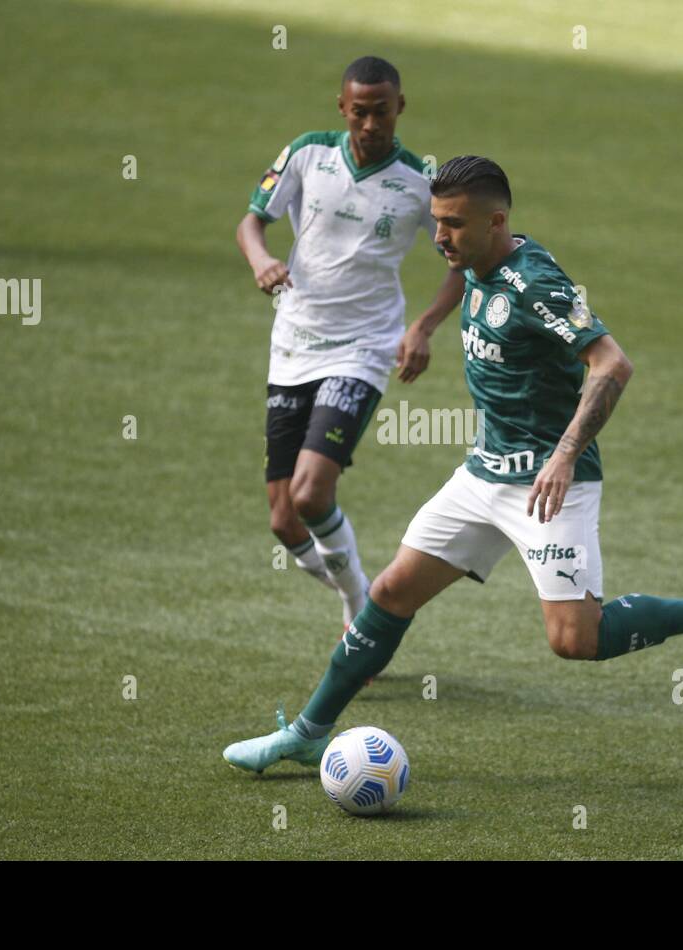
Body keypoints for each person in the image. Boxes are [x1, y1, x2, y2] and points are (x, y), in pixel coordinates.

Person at [224, 155, 683, 773]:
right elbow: (464, 276)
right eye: (435, 222)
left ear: (496, 221)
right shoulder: (476, 259)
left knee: (574, 640)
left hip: (548, 484)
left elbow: (612, 364)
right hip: (483, 474)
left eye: (453, 225)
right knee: (392, 591)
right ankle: (307, 732)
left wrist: (563, 455)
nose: (439, 238)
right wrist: (426, 324)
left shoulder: (536, 282)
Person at [235, 56, 465, 628]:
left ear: (400, 108)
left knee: (312, 496)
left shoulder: (419, 182)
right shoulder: (308, 153)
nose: (369, 125)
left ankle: (362, 616)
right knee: (284, 521)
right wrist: (261, 259)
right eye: (359, 112)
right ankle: (359, 590)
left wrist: (423, 327)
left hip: (363, 348)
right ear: (342, 108)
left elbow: (462, 262)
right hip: (292, 343)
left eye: (381, 112)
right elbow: (251, 222)